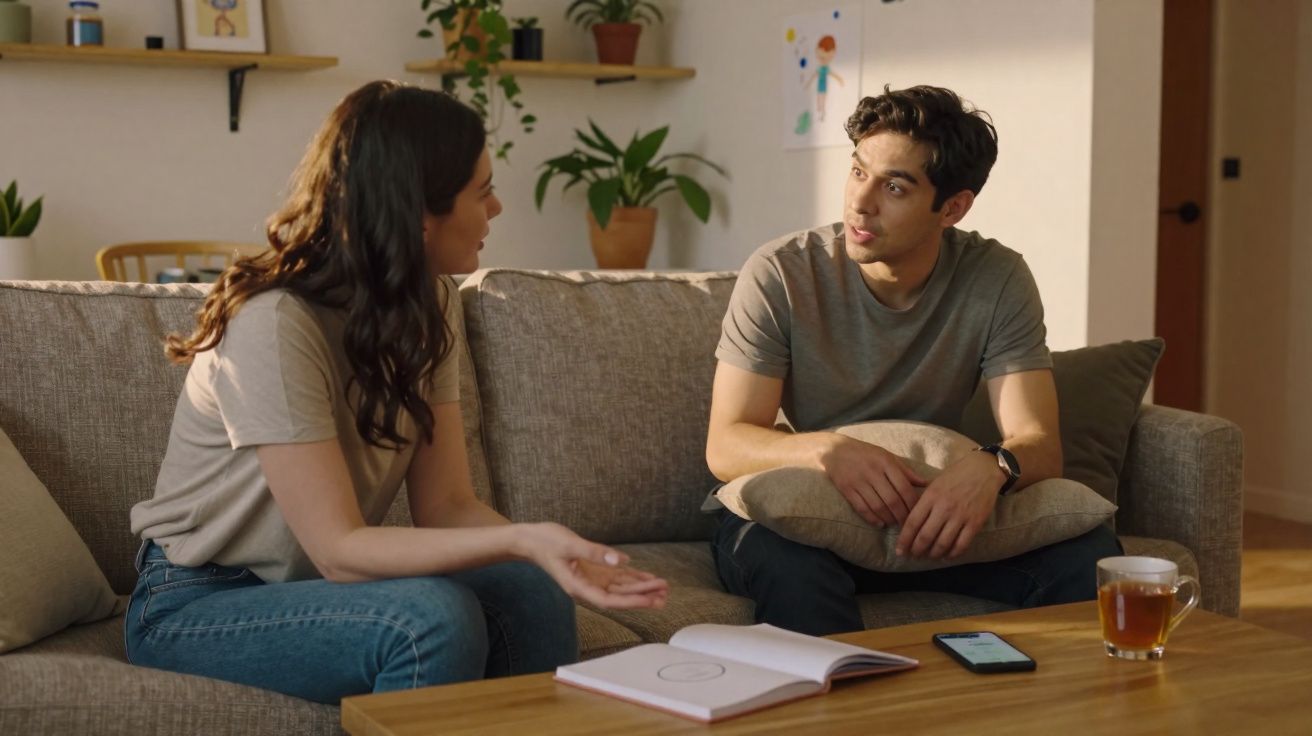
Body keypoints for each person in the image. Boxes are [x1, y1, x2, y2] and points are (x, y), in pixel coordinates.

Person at [126, 80, 668, 704]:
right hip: (196, 601)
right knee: (429, 619)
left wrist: (552, 558)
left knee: (528, 591)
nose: (496, 210)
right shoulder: (275, 324)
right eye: (482, 192)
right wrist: (524, 537)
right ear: (418, 213)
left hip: (311, 588)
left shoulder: (429, 304)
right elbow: (337, 550)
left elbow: (449, 506)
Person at [705, 84, 1121, 636]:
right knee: (789, 563)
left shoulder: (996, 278)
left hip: (926, 521)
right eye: (858, 171)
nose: (861, 201)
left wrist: (992, 467)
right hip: (804, 518)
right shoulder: (782, 273)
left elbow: (1039, 444)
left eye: (894, 186)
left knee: (1089, 553)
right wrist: (831, 451)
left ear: (952, 207)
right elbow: (726, 444)